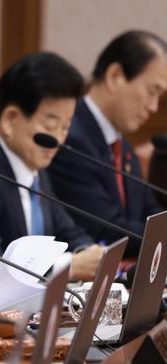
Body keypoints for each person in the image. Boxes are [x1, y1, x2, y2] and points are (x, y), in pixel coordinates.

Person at [0, 52, 103, 281]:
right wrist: (69, 266)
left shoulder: (34, 167)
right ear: (10, 119)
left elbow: (68, 232)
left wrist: (87, 252)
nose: (58, 140)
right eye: (50, 125)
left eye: (65, 127)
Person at [48, 30, 167, 256]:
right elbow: (107, 230)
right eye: (152, 92)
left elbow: (152, 216)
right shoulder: (70, 139)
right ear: (115, 76)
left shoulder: (123, 147)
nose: (154, 107)